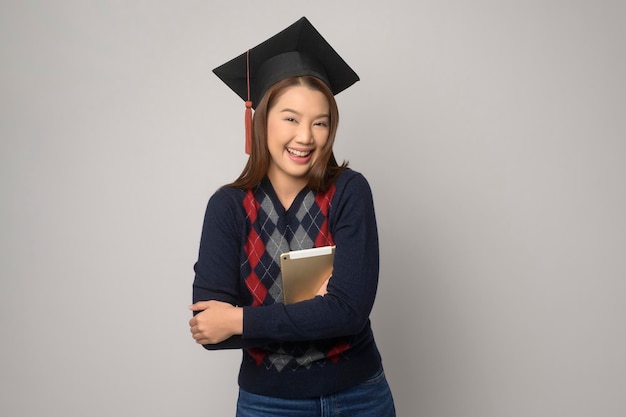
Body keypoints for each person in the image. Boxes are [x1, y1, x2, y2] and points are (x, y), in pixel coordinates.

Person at [189, 17, 396, 417]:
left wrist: (240, 319)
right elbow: (209, 330)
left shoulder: (349, 192)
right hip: (268, 404)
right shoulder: (228, 208)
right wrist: (317, 312)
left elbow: (350, 312)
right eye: (290, 118)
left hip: (359, 397)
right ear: (261, 118)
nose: (306, 136)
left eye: (320, 122)